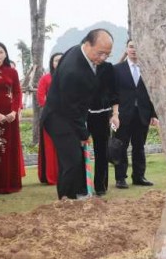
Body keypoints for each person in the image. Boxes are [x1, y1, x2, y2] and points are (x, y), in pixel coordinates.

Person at [41, 29, 114, 199]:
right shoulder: (74, 71)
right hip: (58, 117)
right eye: (100, 53)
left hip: (69, 114)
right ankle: (66, 200)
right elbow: (71, 109)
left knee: (73, 159)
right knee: (72, 161)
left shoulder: (78, 50)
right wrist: (84, 133)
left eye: (107, 55)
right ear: (87, 45)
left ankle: (73, 195)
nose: (103, 58)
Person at [113, 39, 157, 188]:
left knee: (139, 147)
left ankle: (139, 177)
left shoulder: (148, 70)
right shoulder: (117, 69)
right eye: (131, 47)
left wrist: (153, 114)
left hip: (142, 115)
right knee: (121, 147)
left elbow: (153, 93)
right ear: (126, 49)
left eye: (137, 47)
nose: (134, 50)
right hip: (122, 115)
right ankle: (120, 178)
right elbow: (112, 93)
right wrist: (113, 114)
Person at [0, 42, 23, 195]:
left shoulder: (12, 72)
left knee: (8, 150)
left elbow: (17, 93)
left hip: (9, 119)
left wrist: (14, 112)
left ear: (6, 54)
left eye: (1, 52)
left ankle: (8, 185)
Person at [87, 60, 119, 196]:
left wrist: (115, 114)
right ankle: (82, 186)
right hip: (82, 115)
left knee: (101, 151)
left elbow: (114, 92)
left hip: (102, 114)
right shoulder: (80, 66)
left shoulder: (107, 67)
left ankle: (100, 186)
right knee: (79, 151)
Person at [37, 52, 63, 185]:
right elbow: (41, 99)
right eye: (56, 60)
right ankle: (51, 177)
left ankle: (65, 175)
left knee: (64, 147)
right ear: (51, 63)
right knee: (50, 148)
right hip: (50, 118)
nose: (58, 63)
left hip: (67, 118)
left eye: (61, 60)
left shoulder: (69, 77)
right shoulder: (45, 79)